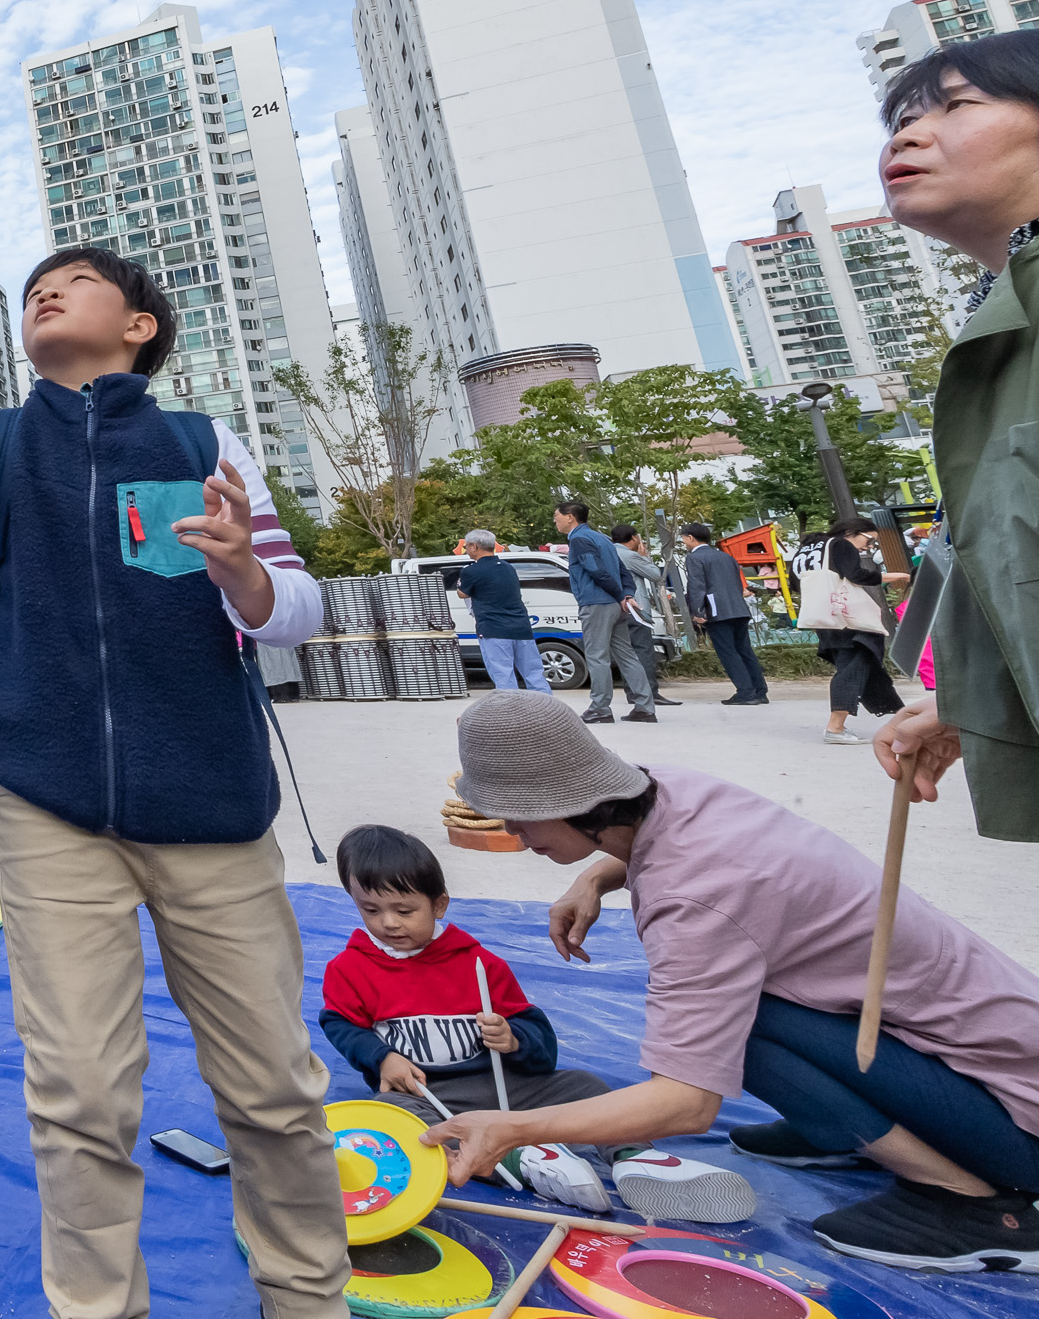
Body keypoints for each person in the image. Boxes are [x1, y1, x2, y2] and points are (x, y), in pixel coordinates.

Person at [0, 210, 347, 1318]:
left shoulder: (207, 445)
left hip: (213, 804)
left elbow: (298, 609)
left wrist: (245, 575)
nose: (45, 292)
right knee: (80, 1094)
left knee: (274, 1091)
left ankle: (307, 1297)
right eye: (34, 286)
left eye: (73, 280)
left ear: (139, 324)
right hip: (53, 807)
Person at [432, 689, 1039, 1270]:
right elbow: (659, 852)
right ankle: (836, 1126)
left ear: (564, 804)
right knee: (739, 1006)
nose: (515, 833)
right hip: (994, 1041)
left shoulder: (694, 902)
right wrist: (594, 877)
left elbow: (687, 1101)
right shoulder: (667, 789)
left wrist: (512, 1127)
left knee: (735, 1030)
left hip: (1018, 1121)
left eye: (518, 816)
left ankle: (971, 1203)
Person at [319, 823, 749, 1220]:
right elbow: (339, 1026)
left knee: (583, 1084)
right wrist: (381, 1057)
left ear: (439, 904)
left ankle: (633, 1157)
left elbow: (538, 1039)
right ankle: (517, 1158)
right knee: (389, 1118)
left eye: (404, 909)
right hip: (428, 1095)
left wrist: (513, 1039)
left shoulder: (479, 964)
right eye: (371, 910)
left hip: (506, 1088)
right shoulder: (349, 969)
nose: (388, 923)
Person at [872, 28, 1039, 839]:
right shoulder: (999, 327)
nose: (906, 134)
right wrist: (968, 701)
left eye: (958, 104)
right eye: (902, 117)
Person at [556, 500, 653, 725]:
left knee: (597, 656)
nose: (555, 520)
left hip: (596, 603)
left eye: (557, 516)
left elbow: (596, 571)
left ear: (570, 516)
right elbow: (622, 571)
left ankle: (600, 708)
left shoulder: (579, 539)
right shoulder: (601, 538)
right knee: (627, 655)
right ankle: (645, 707)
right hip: (617, 605)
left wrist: (620, 595)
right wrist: (627, 596)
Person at [810, 518, 904, 747]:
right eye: (869, 540)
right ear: (851, 532)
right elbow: (856, 575)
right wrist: (890, 576)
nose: (868, 546)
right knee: (856, 663)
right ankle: (835, 727)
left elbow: (796, 582)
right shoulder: (840, 545)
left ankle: (901, 717)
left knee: (862, 663)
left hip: (824, 614)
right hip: (846, 616)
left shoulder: (812, 548)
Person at [681, 521, 769, 705]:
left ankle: (745, 692)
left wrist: (697, 611)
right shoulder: (725, 556)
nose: (683, 542)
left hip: (717, 610)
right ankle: (760, 691)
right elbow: (737, 582)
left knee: (728, 652)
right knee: (744, 650)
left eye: (683, 538)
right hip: (738, 608)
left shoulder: (694, 558)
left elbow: (697, 586)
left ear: (690, 538)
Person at [456, 531, 545, 691]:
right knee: (534, 674)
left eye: (466, 546)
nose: (466, 550)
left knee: (504, 676)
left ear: (474, 546)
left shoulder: (471, 571)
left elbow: (463, 593)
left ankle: (510, 712)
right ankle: (548, 708)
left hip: (493, 629)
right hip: (521, 628)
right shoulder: (508, 568)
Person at [606, 524, 677, 706]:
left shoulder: (607, 552)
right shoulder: (629, 555)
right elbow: (656, 575)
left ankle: (633, 692)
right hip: (636, 609)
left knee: (626, 653)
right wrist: (644, 557)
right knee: (643, 650)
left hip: (615, 609)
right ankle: (649, 693)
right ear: (633, 539)